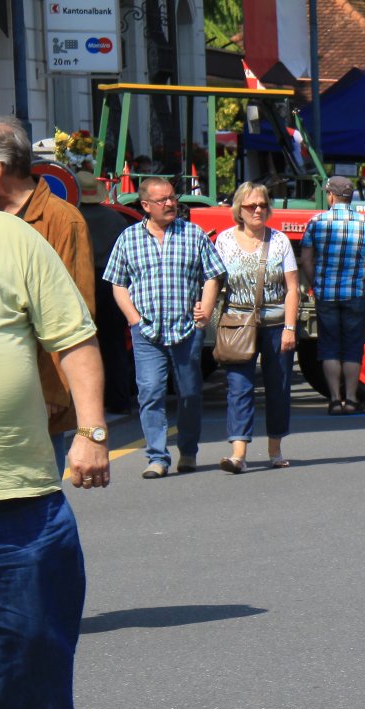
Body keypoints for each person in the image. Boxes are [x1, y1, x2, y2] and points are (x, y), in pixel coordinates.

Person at [0, 207, 110, 709]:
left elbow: (72, 337)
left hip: (16, 494)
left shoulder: (10, 239)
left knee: (30, 646)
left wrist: (92, 430)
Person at [0, 117, 97, 469]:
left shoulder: (62, 220)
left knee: (34, 491)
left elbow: (75, 316)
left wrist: (54, 388)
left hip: (37, 392)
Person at [104, 176, 225, 478]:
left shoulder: (193, 234)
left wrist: (206, 308)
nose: (171, 204)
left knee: (190, 393)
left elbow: (213, 275)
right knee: (150, 393)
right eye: (163, 200)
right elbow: (118, 283)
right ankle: (157, 457)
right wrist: (133, 319)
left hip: (186, 329)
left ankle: (188, 451)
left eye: (173, 197)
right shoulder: (128, 238)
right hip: (146, 331)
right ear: (146, 205)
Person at [213, 182, 298, 472]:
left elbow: (292, 288)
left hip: (276, 325)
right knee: (239, 388)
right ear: (239, 209)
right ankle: (238, 454)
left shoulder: (280, 241)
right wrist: (203, 311)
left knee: (279, 388)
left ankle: (275, 449)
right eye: (252, 206)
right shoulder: (224, 241)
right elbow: (214, 282)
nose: (258, 210)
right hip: (237, 324)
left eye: (262, 204)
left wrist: (290, 327)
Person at [300, 175, 365, 415]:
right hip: (354, 293)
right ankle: (352, 399)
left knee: (329, 347)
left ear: (331, 196)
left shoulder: (316, 222)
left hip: (326, 293)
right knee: (352, 347)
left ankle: (335, 400)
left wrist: (316, 283)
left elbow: (306, 259)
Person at [75, 170, 135, 416]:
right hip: (112, 284)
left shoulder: (71, 215)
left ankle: (85, 402)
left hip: (81, 281)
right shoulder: (115, 219)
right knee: (115, 343)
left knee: (81, 344)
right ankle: (119, 399)